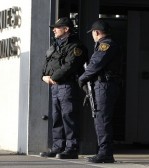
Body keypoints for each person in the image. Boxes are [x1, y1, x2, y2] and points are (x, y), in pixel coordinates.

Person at [40, 17, 87, 159]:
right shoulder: (55, 45)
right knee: (57, 117)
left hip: (67, 85)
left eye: (57, 27)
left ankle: (71, 149)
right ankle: (57, 146)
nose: (54, 30)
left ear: (66, 29)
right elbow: (47, 63)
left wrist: (53, 77)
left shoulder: (76, 46)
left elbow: (70, 66)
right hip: (55, 86)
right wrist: (43, 76)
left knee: (69, 116)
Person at [78, 19, 121, 163]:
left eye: (93, 33)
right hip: (102, 85)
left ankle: (105, 153)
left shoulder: (105, 45)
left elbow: (95, 64)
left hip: (104, 85)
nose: (92, 35)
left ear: (96, 32)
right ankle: (104, 152)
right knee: (100, 118)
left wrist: (82, 78)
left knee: (102, 119)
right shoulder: (104, 44)